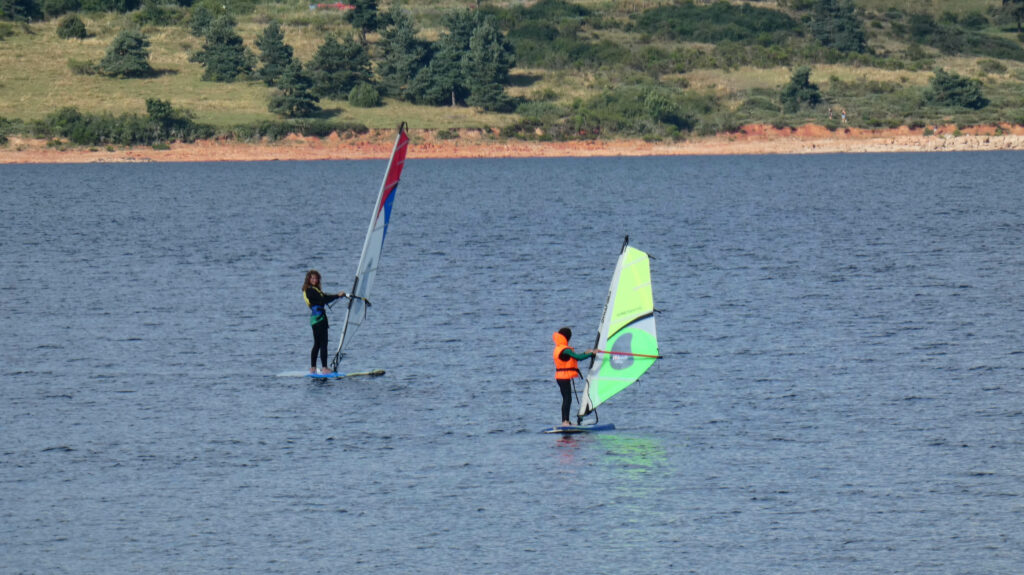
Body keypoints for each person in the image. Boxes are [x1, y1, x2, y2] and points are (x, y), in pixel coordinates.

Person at [302, 270, 347, 374]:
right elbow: (324, 299)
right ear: (308, 279)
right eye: (312, 278)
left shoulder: (314, 290)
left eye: (316, 278)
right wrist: (337, 295)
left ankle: (313, 368)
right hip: (319, 320)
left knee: (317, 343)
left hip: (316, 319)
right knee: (323, 343)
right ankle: (324, 368)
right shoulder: (310, 290)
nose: (314, 280)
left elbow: (323, 298)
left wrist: (336, 296)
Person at [552, 327, 595, 427]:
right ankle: (565, 422)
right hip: (563, 378)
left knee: (566, 398)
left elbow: (577, 356)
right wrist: (591, 354)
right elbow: (578, 358)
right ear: (568, 337)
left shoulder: (559, 347)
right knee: (567, 399)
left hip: (560, 377)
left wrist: (586, 353)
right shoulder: (565, 350)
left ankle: (566, 421)